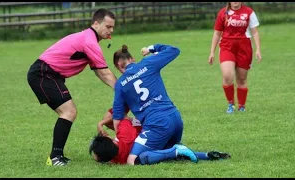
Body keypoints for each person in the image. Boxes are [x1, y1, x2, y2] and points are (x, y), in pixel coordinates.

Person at [27, 8, 118, 166]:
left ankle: (57, 156)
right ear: (96, 24)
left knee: (69, 111)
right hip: (43, 74)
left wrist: (119, 89)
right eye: (108, 26)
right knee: (68, 111)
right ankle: (55, 157)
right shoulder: (89, 41)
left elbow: (98, 71)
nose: (111, 30)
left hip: (48, 74)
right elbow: (105, 73)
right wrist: (123, 90)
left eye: (112, 27)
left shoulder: (88, 39)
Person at [111, 43, 199, 165]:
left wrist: (121, 142)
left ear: (119, 66)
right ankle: (205, 155)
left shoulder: (120, 84)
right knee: (163, 153)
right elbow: (174, 50)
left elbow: (117, 120)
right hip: (176, 119)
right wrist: (150, 49)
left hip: (157, 125)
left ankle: (176, 150)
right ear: (132, 59)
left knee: (132, 160)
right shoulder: (148, 63)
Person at [90, 108, 231, 165]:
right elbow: (116, 112)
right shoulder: (124, 131)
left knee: (145, 158)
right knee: (145, 157)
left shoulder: (117, 160)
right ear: (108, 139)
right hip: (160, 129)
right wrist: (101, 123)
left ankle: (205, 155)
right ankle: (205, 155)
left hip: (156, 137)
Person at [208, 2, 262, 113]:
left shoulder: (249, 12)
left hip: (244, 47)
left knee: (242, 78)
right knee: (227, 76)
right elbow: (217, 33)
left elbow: (255, 32)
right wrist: (212, 52)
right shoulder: (223, 13)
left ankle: (242, 106)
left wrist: (258, 49)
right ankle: (230, 104)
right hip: (227, 46)